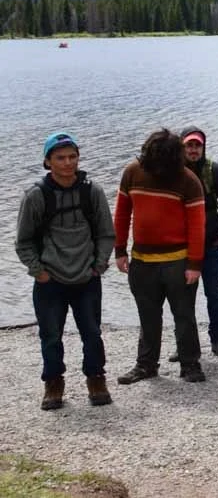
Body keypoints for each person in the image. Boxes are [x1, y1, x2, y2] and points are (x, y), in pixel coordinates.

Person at [15, 132, 115, 410]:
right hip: (50, 280)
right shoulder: (36, 196)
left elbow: (107, 233)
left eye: (72, 156)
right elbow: (23, 242)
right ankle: (53, 383)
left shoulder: (91, 191)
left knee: (93, 333)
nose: (68, 162)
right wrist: (38, 272)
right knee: (50, 335)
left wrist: (99, 265)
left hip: (87, 277)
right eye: (60, 158)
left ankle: (96, 379)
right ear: (48, 162)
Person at [114, 129, 207, 384]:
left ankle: (190, 364)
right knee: (148, 315)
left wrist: (194, 264)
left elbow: (197, 226)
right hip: (142, 260)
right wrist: (120, 250)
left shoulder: (188, 180)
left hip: (178, 260)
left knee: (184, 314)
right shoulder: (132, 172)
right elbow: (122, 214)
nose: (158, 167)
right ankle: (146, 365)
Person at [178, 126, 218, 360]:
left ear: (203, 146)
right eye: (189, 145)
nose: (193, 150)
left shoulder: (216, 172)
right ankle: (185, 344)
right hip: (182, 245)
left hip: (211, 244)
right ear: (181, 147)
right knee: (182, 297)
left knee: (215, 294)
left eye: (197, 145)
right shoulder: (172, 173)